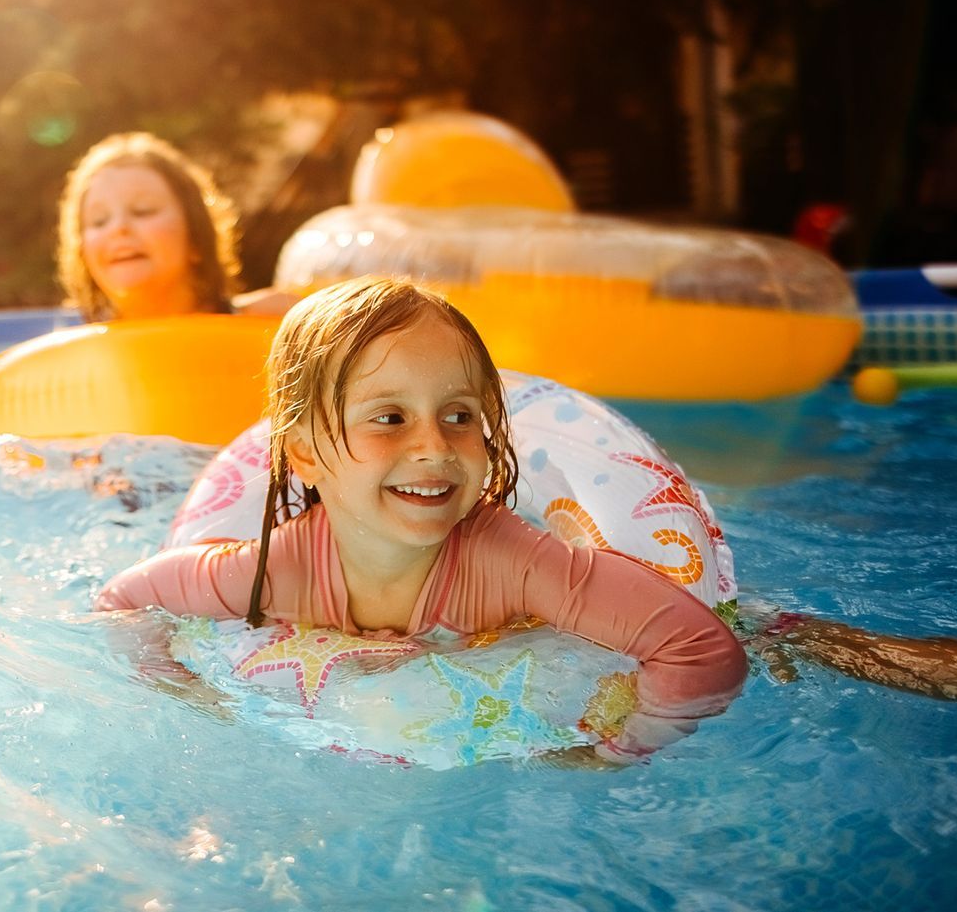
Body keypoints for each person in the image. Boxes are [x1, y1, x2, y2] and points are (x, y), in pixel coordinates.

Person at [95, 276, 749, 763]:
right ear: (304, 452)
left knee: (771, 632)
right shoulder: (274, 571)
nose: (435, 447)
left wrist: (609, 755)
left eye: (459, 415)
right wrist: (186, 697)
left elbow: (701, 650)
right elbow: (123, 599)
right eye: (390, 417)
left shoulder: (512, 559)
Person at [57, 132, 296, 322]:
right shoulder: (63, 359)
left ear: (195, 237)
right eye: (99, 221)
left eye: (143, 210)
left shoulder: (275, 320)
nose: (118, 228)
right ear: (81, 253)